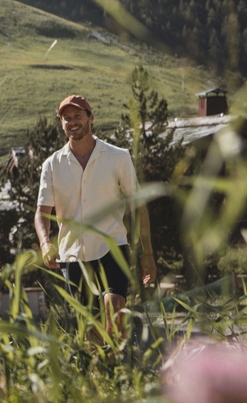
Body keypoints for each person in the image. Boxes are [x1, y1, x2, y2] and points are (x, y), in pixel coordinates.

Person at [35, 94, 156, 334]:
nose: (72, 122)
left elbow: (138, 207)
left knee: (115, 310)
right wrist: (45, 243)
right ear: (62, 124)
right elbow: (42, 212)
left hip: (113, 248)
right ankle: (105, 369)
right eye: (66, 118)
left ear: (91, 118)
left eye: (77, 116)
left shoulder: (118, 157)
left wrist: (148, 254)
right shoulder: (52, 164)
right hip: (73, 257)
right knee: (92, 330)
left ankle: (115, 362)